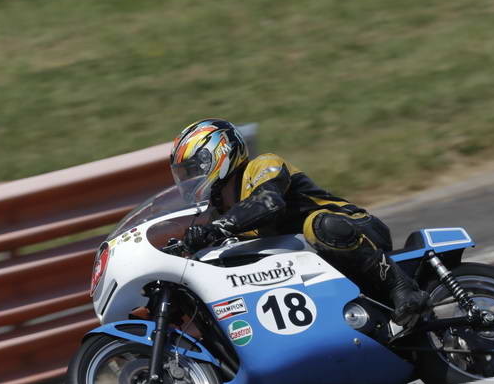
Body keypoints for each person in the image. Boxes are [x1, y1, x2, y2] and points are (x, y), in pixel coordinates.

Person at [170, 118, 430, 327]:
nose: (189, 180)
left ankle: (400, 285)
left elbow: (269, 202)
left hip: (356, 230)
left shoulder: (262, 166)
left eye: (193, 169)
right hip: (314, 261)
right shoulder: (218, 213)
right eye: (184, 174)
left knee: (319, 226)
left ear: (219, 153)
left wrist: (217, 228)